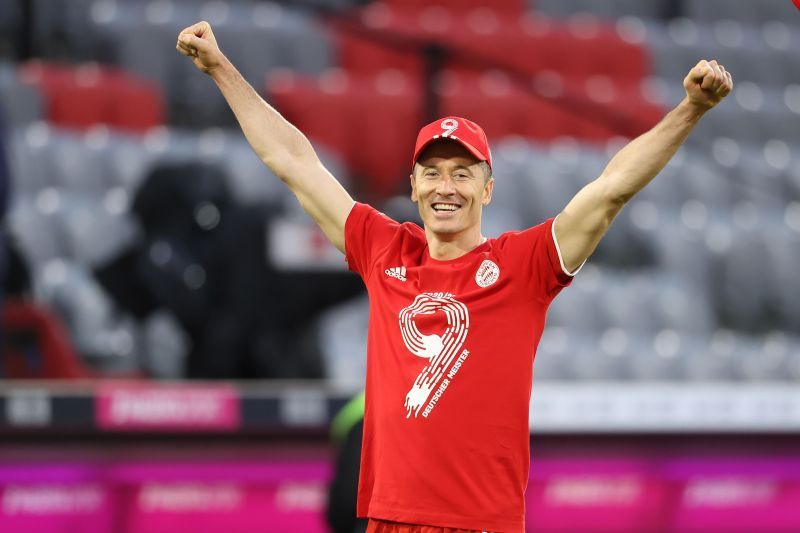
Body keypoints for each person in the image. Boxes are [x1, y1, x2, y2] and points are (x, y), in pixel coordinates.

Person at [176, 20, 732, 533]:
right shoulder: (381, 247)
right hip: (388, 519)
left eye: (463, 173)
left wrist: (691, 109)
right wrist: (221, 69)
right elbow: (293, 162)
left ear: (487, 189)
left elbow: (612, 189)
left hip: (479, 522)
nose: (447, 187)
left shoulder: (525, 265)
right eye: (433, 173)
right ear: (413, 186)